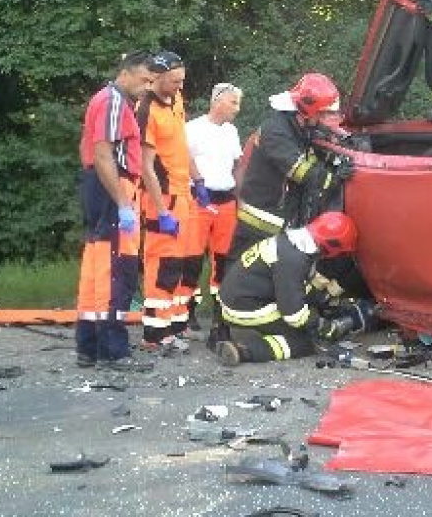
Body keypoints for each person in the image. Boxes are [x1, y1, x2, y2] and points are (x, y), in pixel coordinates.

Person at [74, 52, 154, 371]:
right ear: (126, 73)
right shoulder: (114, 102)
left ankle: (89, 346)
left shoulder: (106, 100)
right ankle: (113, 350)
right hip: (113, 189)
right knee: (115, 269)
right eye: (144, 80)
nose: (147, 87)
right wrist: (123, 203)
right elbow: (103, 154)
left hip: (102, 188)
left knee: (96, 268)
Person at [227, 73, 347, 264]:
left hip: (276, 217)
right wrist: (335, 177)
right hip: (261, 220)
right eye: (321, 114)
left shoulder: (295, 128)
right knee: (243, 274)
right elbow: (302, 173)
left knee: (266, 279)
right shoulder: (276, 131)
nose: (323, 119)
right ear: (308, 110)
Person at [215, 211, 359, 365]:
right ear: (332, 245)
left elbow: (294, 286)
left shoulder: (290, 242)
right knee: (303, 342)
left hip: (236, 298)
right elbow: (294, 315)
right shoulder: (294, 259)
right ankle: (243, 351)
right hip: (244, 308)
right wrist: (322, 326)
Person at [135, 51, 198, 353]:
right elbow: (146, 166)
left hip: (182, 192)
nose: (178, 86)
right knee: (162, 264)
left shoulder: (176, 100)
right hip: (162, 197)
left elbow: (180, 145)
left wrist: (197, 181)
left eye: (181, 81)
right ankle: (153, 334)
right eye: (174, 81)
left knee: (179, 264)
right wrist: (161, 211)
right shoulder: (146, 109)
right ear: (157, 78)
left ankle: (170, 325)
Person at [184, 83, 244, 332]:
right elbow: (184, 158)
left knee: (224, 259)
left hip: (226, 200)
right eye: (233, 103)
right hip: (199, 198)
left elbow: (237, 164)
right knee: (192, 257)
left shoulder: (231, 131)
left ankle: (221, 311)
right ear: (217, 101)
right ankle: (187, 310)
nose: (237, 109)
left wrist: (240, 196)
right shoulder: (193, 128)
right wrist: (198, 184)